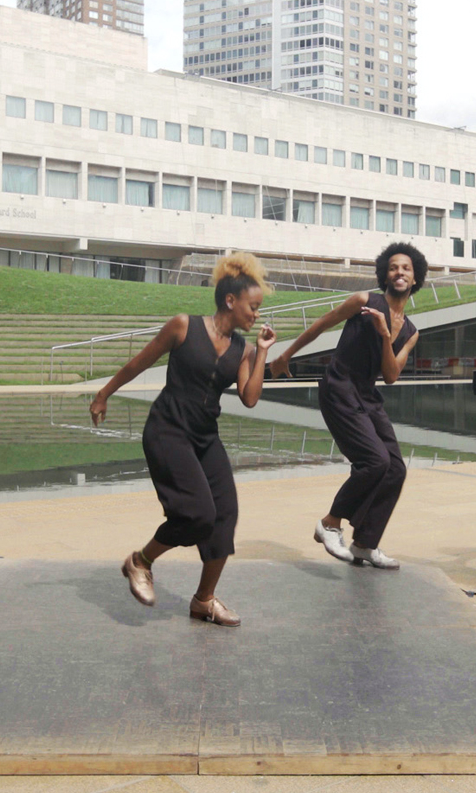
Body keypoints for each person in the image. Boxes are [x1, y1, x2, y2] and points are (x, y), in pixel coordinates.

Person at [89, 254, 277, 628]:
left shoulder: (243, 349)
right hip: (167, 431)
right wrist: (103, 394)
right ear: (230, 301)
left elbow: (250, 397)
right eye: (252, 307)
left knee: (224, 517)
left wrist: (263, 353)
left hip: (205, 437)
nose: (256, 315)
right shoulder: (182, 326)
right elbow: (138, 364)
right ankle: (140, 561)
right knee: (197, 514)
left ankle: (204, 601)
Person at [270, 242, 424, 570]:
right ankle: (329, 523)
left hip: (367, 395)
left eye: (406, 268)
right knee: (374, 461)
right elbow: (323, 323)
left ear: (415, 278)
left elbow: (391, 375)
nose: (400, 272)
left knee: (395, 468)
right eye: (394, 267)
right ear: (385, 273)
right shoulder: (365, 301)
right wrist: (287, 354)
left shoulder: (411, 331)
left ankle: (366, 543)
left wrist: (386, 336)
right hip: (339, 385)